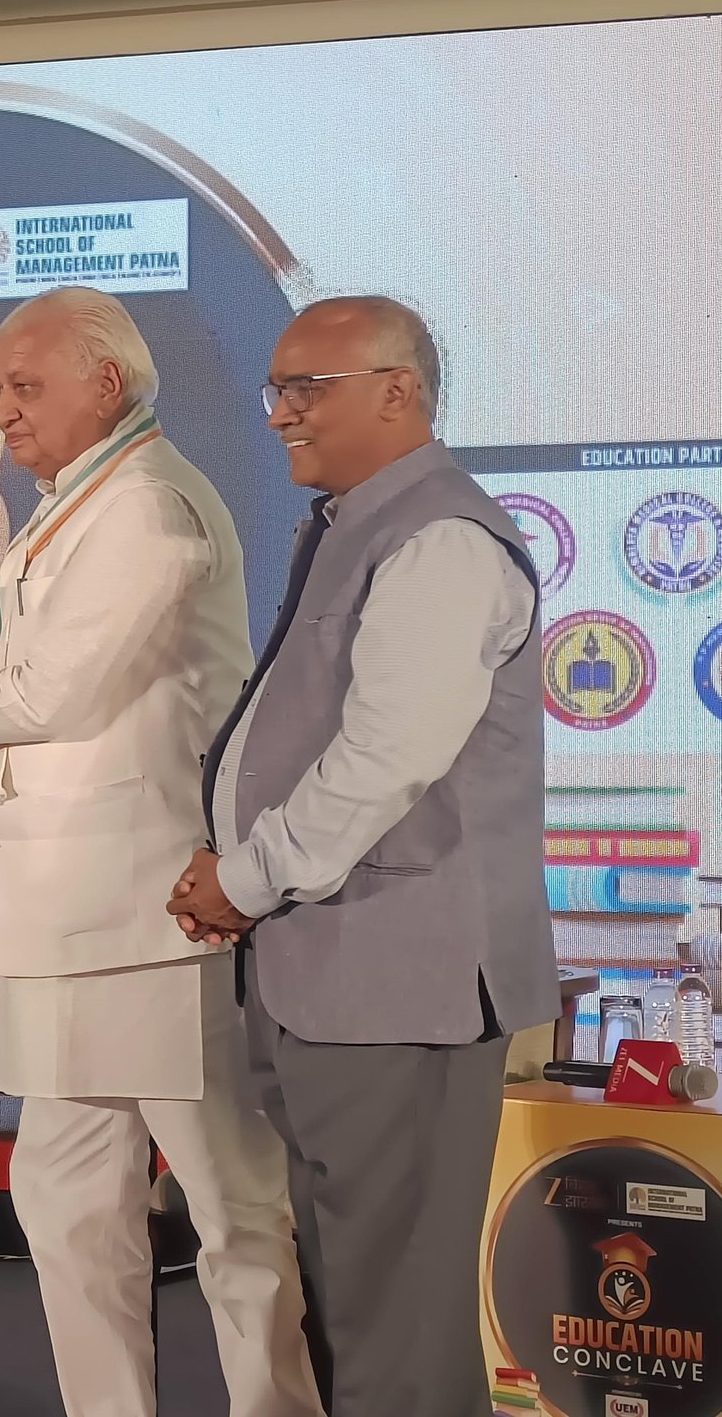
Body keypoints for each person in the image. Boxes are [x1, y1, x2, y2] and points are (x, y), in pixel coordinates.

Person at [0, 287, 321, 1417]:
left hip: (152, 908)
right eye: (1, 386)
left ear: (107, 384)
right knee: (64, 1193)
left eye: (24, 385)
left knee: (229, 1199)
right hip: (63, 901)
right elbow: (37, 687)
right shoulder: (77, 500)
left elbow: (53, 694)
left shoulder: (144, 505)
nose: (1, 410)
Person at [168, 296, 559, 1417]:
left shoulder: (441, 540)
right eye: (276, 389)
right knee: (361, 1309)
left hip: (402, 985)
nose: (279, 413)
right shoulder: (354, 524)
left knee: (396, 1327)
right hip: (337, 979)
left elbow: (383, 762)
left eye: (307, 389)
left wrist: (244, 880)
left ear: (398, 392)